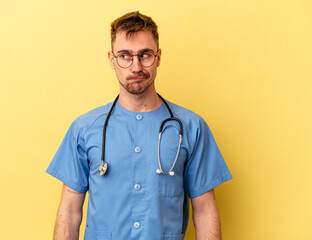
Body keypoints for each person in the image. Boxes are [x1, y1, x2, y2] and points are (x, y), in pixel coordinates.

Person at [47, 11, 232, 240]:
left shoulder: (191, 127)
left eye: (144, 55)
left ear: (159, 56)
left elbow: (204, 212)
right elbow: (70, 212)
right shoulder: (84, 129)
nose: (136, 67)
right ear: (111, 59)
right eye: (125, 56)